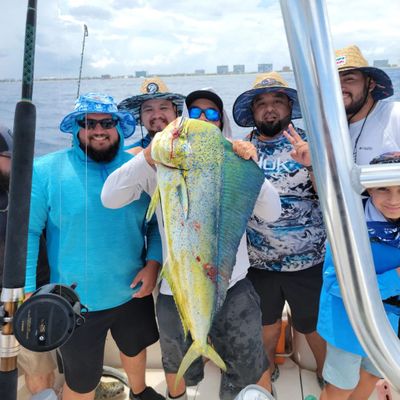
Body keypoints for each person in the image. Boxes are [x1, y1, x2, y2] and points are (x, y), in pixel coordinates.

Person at [101, 88, 282, 400]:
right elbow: (110, 197)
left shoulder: (233, 159)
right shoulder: (159, 162)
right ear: (183, 119)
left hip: (234, 284)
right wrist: (147, 155)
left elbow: (272, 212)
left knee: (250, 364)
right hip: (177, 288)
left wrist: (250, 167)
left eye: (212, 114)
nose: (203, 118)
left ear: (221, 121)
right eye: (195, 112)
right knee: (175, 365)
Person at [24, 94, 164, 400]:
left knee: (135, 348)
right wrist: (28, 290)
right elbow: (31, 231)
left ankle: (139, 391)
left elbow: (156, 225)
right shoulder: (45, 170)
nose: (98, 129)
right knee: (81, 378)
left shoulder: (140, 168)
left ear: (119, 127)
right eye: (88, 123)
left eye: (107, 122)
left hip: (133, 290)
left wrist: (153, 264)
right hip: (74, 302)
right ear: (75, 128)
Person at [232, 72, 327, 385]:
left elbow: (331, 199)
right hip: (259, 263)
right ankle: (264, 373)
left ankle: (329, 375)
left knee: (314, 326)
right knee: (265, 324)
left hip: (309, 261)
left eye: (277, 101)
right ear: (253, 112)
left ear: (289, 107)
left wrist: (312, 164)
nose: (269, 109)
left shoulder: (311, 143)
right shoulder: (239, 149)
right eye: (262, 103)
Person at [317, 152, 400, 400]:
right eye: (383, 189)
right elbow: (336, 285)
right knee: (341, 386)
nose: (394, 199)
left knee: (373, 375)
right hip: (348, 323)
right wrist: (395, 278)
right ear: (368, 190)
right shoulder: (347, 225)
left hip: (391, 324)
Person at [335, 45, 400, 165]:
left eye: (349, 79)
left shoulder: (395, 114)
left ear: (370, 84)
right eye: (333, 81)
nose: (338, 88)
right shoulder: (333, 130)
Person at [118, 77, 185, 155]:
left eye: (163, 108)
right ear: (141, 116)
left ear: (175, 112)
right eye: (148, 110)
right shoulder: (127, 156)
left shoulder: (194, 147)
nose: (157, 115)